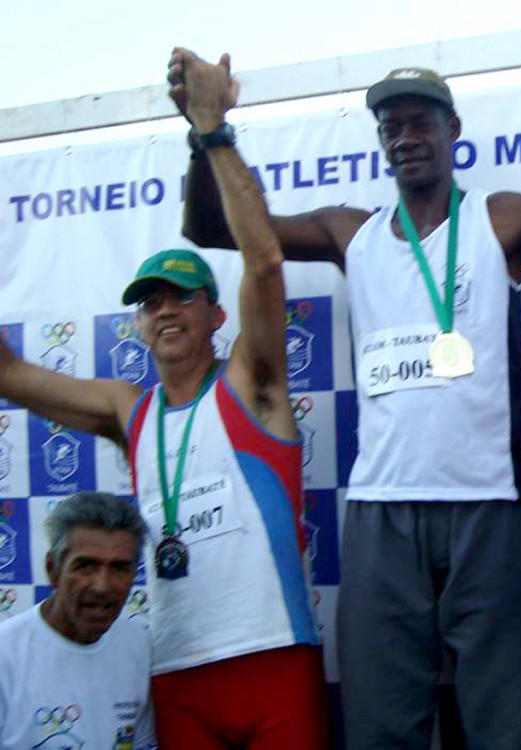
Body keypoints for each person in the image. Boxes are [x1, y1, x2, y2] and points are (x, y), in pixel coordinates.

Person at [166, 50, 521, 749]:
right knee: (379, 726)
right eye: (390, 127)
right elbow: (211, 229)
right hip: (381, 511)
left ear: (453, 129)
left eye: (419, 122)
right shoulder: (353, 232)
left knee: (508, 726)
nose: (404, 137)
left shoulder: (503, 220)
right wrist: (204, 131)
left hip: (491, 506)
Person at [0, 53, 326, 749]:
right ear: (138, 325)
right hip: (175, 672)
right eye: (151, 302)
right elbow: (12, 375)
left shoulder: (251, 383)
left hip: (273, 660)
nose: (167, 309)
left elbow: (264, 260)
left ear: (216, 315)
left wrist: (212, 127)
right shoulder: (129, 409)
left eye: (184, 295)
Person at [0, 491, 155, 750]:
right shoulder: (6, 655)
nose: (102, 586)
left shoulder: (142, 647)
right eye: (85, 566)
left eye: (119, 568)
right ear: (53, 569)